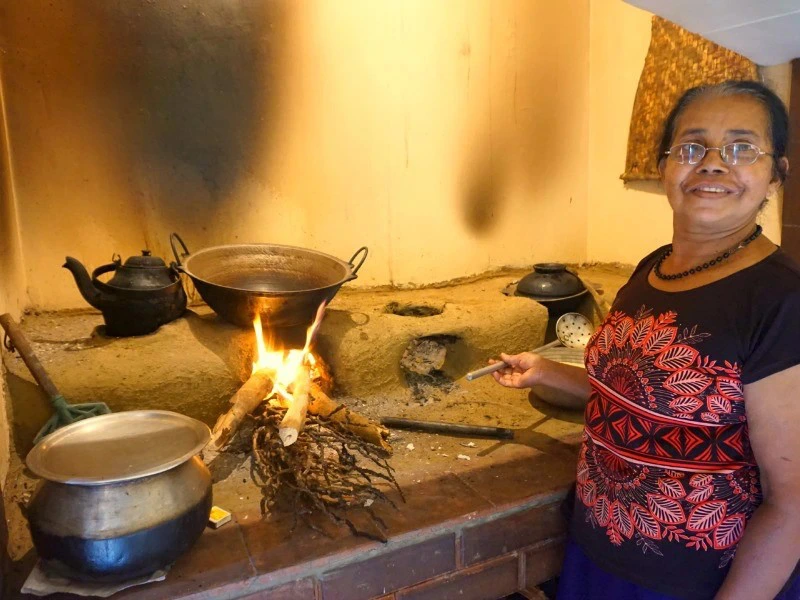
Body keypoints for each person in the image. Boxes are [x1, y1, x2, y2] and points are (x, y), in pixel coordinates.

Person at [492, 80, 800, 600]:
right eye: (691, 147)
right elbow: (642, 399)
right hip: (597, 552)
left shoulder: (780, 301)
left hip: (693, 582)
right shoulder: (653, 269)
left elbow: (791, 503)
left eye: (742, 148)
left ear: (777, 174)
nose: (713, 163)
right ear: (664, 167)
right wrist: (545, 373)